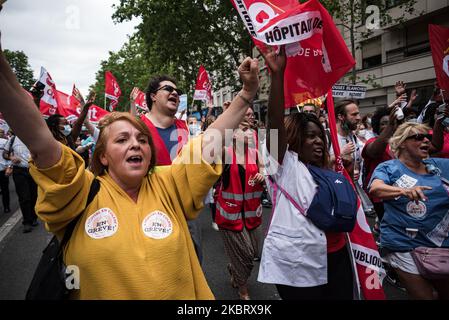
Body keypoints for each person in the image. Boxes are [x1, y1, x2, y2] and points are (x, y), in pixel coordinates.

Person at [0, 42, 260, 298]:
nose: (135, 143)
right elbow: (39, 140)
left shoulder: (170, 184)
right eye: (122, 139)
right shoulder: (79, 191)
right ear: (102, 156)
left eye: (142, 139)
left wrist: (246, 93)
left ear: (149, 154)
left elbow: (209, 142)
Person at [257, 46, 354, 300]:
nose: (319, 142)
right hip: (298, 264)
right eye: (310, 136)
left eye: (320, 136)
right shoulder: (284, 167)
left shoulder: (329, 169)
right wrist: (277, 76)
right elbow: (275, 126)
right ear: (295, 140)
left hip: (338, 256)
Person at [369, 122, 449, 300]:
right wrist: (403, 191)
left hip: (440, 246)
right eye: (418, 137)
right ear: (402, 142)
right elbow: (376, 189)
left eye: (427, 137)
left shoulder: (441, 166)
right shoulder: (389, 168)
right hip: (403, 245)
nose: (426, 141)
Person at [215, 118, 264, 300]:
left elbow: (265, 172)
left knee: (253, 255)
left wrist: (262, 176)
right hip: (230, 215)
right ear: (233, 134)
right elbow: (210, 145)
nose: (250, 132)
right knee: (246, 253)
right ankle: (243, 290)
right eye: (244, 129)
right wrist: (226, 118)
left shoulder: (256, 153)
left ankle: (234, 268)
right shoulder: (225, 153)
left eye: (251, 128)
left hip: (253, 214)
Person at [0, 128, 11, 213]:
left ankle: (6, 206)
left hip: (3, 169)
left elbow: (9, 155)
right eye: (1, 132)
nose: (3, 133)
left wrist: (9, 167)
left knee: (5, 189)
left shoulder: (5, 142)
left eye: (3, 132)